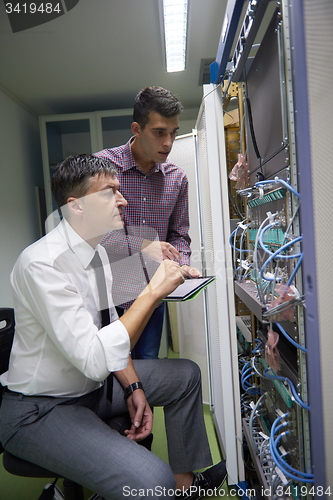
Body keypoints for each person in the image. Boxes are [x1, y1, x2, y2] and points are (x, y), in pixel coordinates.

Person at [0, 155, 227, 500]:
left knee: (185, 376)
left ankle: (186, 485)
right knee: (152, 481)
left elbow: (112, 332)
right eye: (109, 193)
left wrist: (134, 385)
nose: (122, 200)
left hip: (91, 388)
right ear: (76, 207)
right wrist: (151, 291)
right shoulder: (41, 264)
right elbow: (94, 359)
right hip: (40, 409)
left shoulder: (99, 254)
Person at [94, 86, 201, 360]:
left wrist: (181, 262)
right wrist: (144, 246)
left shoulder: (177, 179)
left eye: (173, 133)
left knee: (146, 379)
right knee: (104, 380)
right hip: (105, 298)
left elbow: (179, 235)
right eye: (159, 132)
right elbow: (89, 234)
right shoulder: (102, 168)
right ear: (137, 129)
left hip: (151, 299)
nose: (168, 142)